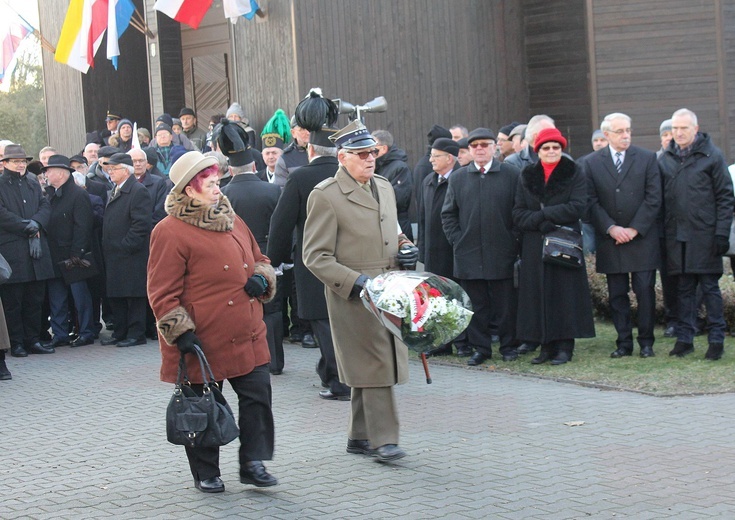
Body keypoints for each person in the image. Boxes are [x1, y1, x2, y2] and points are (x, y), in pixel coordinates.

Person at [148, 150, 278, 493]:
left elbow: (260, 257)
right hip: (202, 339)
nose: (219, 188)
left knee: (257, 396)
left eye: (219, 181)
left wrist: (262, 277)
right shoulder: (169, 231)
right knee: (203, 406)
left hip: (247, 331)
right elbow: (161, 293)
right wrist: (181, 333)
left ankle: (253, 463)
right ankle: (206, 472)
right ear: (190, 189)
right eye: (212, 183)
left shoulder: (232, 218)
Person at [303, 119, 419, 463]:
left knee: (373, 363)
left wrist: (407, 247)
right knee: (376, 364)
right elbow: (315, 256)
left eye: (372, 152)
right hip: (353, 294)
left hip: (390, 287)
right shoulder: (325, 195)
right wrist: (357, 283)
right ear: (342, 157)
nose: (370, 159)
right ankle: (385, 441)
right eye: (361, 154)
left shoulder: (383, 186)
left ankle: (359, 436)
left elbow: (393, 232)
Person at [267, 91, 351, 399]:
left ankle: (340, 381)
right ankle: (330, 372)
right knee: (343, 319)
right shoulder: (350, 174)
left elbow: (281, 223)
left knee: (321, 319)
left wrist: (271, 261)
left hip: (313, 259)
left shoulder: (300, 177)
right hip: (350, 258)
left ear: (310, 149)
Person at [513, 128, 595, 365]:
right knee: (538, 294)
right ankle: (545, 347)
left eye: (556, 148)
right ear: (538, 151)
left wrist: (545, 214)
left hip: (563, 242)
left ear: (562, 150)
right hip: (534, 244)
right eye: (546, 148)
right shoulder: (527, 175)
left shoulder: (574, 173)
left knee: (564, 295)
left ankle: (564, 348)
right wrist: (541, 222)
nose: (551, 152)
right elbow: (518, 212)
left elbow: (578, 206)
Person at [659, 108, 734, 360]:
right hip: (675, 236)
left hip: (706, 235)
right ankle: (685, 338)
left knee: (710, 289)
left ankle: (716, 340)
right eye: (675, 129)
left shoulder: (712, 156)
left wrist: (722, 233)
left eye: (684, 128)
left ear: (695, 128)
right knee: (683, 289)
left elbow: (725, 197)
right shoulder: (665, 158)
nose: (679, 133)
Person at [584, 113, 661, 358]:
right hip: (611, 240)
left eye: (628, 130)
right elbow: (590, 201)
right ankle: (623, 343)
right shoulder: (591, 163)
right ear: (606, 134)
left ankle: (646, 343)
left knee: (645, 292)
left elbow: (654, 197)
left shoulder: (647, 158)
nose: (626, 135)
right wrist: (611, 228)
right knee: (617, 295)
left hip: (641, 239)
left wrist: (634, 228)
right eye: (620, 131)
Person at [441, 128, 521, 366]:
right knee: (475, 306)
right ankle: (481, 349)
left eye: (484, 145)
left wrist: (512, 240)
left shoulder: (511, 174)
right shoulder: (458, 177)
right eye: (474, 146)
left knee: (505, 305)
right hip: (468, 254)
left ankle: (508, 347)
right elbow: (448, 214)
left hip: (502, 251)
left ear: (494, 147)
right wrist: (458, 239)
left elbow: (519, 211)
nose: (479, 149)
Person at [218, 122, 284, 376]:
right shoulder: (273, 190)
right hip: (268, 255)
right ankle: (275, 361)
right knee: (273, 311)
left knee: (242, 309)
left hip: (235, 258)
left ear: (231, 170)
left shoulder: (223, 195)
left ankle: (248, 359)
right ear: (255, 166)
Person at [0, 145, 56, 357]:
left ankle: (32, 339)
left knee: (35, 300)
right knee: (13, 302)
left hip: (36, 251)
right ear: (5, 163)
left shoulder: (32, 183)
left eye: (23, 161)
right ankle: (16, 343)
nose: (21, 164)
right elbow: (2, 214)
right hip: (13, 250)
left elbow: (45, 206)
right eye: (15, 161)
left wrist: (35, 222)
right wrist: (25, 225)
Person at [417, 137, 470, 357]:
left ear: (450, 158)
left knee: (457, 296)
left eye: (435, 156)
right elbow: (422, 218)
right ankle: (441, 342)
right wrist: (421, 247)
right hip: (432, 251)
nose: (430, 160)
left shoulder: (460, 179)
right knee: (436, 298)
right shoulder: (429, 181)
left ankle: (463, 342)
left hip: (453, 250)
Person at [41, 155, 96, 348]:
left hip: (73, 256)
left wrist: (77, 254)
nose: (45, 174)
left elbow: (83, 226)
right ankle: (60, 334)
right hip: (54, 255)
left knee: (80, 298)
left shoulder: (78, 195)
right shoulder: (49, 195)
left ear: (61, 173)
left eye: (48, 171)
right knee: (57, 299)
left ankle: (86, 332)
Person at [100, 153, 152, 348]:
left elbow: (141, 225)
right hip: (114, 255)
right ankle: (120, 332)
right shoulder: (115, 189)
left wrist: (125, 245)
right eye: (109, 169)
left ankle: (136, 333)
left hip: (131, 255)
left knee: (134, 296)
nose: (110, 172)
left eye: (113, 169)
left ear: (125, 170)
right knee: (117, 295)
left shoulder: (138, 191)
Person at [374, 129, 413, 240]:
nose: (370, 153)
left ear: (384, 149)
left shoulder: (400, 168)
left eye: (373, 149)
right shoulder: (375, 167)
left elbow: (398, 199)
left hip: (398, 226)